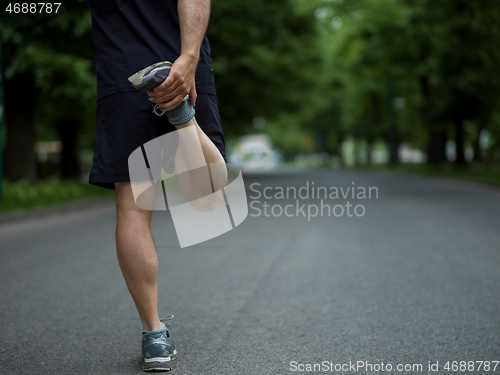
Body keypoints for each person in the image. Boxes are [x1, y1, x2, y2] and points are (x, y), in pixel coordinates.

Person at [86, 0, 225, 371]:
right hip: (182, 59)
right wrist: (190, 57)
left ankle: (154, 335)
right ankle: (181, 114)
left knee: (132, 208)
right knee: (209, 197)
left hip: (123, 72)